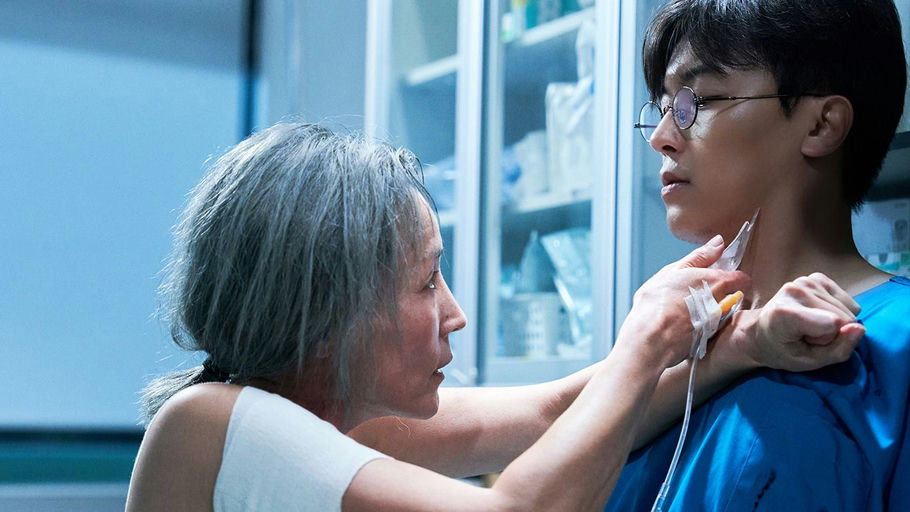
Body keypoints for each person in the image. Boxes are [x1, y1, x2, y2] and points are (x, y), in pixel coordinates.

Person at [125, 122, 863, 511]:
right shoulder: (210, 424)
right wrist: (643, 339)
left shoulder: (326, 417)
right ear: (324, 312)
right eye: (425, 283)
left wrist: (742, 344)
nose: (455, 314)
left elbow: (551, 415)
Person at [603, 0, 910, 510]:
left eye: (696, 101)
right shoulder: (674, 356)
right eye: (663, 107)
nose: (661, 138)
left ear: (822, 125)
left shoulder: (896, 345)